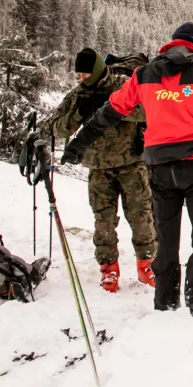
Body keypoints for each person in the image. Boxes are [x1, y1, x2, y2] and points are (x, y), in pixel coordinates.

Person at [62, 22, 193, 319]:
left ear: (173, 43)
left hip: (159, 166)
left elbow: (109, 112)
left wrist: (78, 143)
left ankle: (165, 303)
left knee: (166, 238)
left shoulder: (143, 74)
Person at [44, 47, 156, 293]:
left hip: (131, 162)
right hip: (98, 168)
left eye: (86, 74)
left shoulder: (123, 84)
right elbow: (56, 127)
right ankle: (109, 268)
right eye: (79, 75)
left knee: (141, 217)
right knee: (103, 221)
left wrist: (111, 107)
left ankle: (147, 264)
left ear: (96, 70)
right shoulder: (78, 94)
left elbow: (150, 109)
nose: (82, 79)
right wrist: (80, 112)